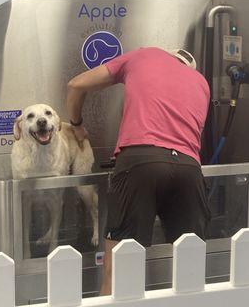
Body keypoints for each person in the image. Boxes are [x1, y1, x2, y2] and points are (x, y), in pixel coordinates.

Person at [66, 47, 211, 295]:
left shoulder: (145, 55)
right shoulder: (202, 83)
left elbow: (76, 84)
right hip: (189, 167)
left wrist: (76, 124)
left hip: (141, 161)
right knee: (191, 268)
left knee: (118, 269)